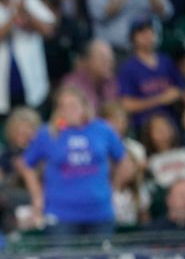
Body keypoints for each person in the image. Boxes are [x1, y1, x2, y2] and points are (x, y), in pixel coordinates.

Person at [20, 86, 134, 239]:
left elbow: (126, 163)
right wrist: (37, 197)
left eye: (72, 105)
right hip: (61, 214)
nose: (68, 110)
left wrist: (114, 188)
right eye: (62, 106)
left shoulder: (102, 130)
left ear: (85, 106)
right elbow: (26, 165)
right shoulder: (48, 133)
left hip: (99, 212)